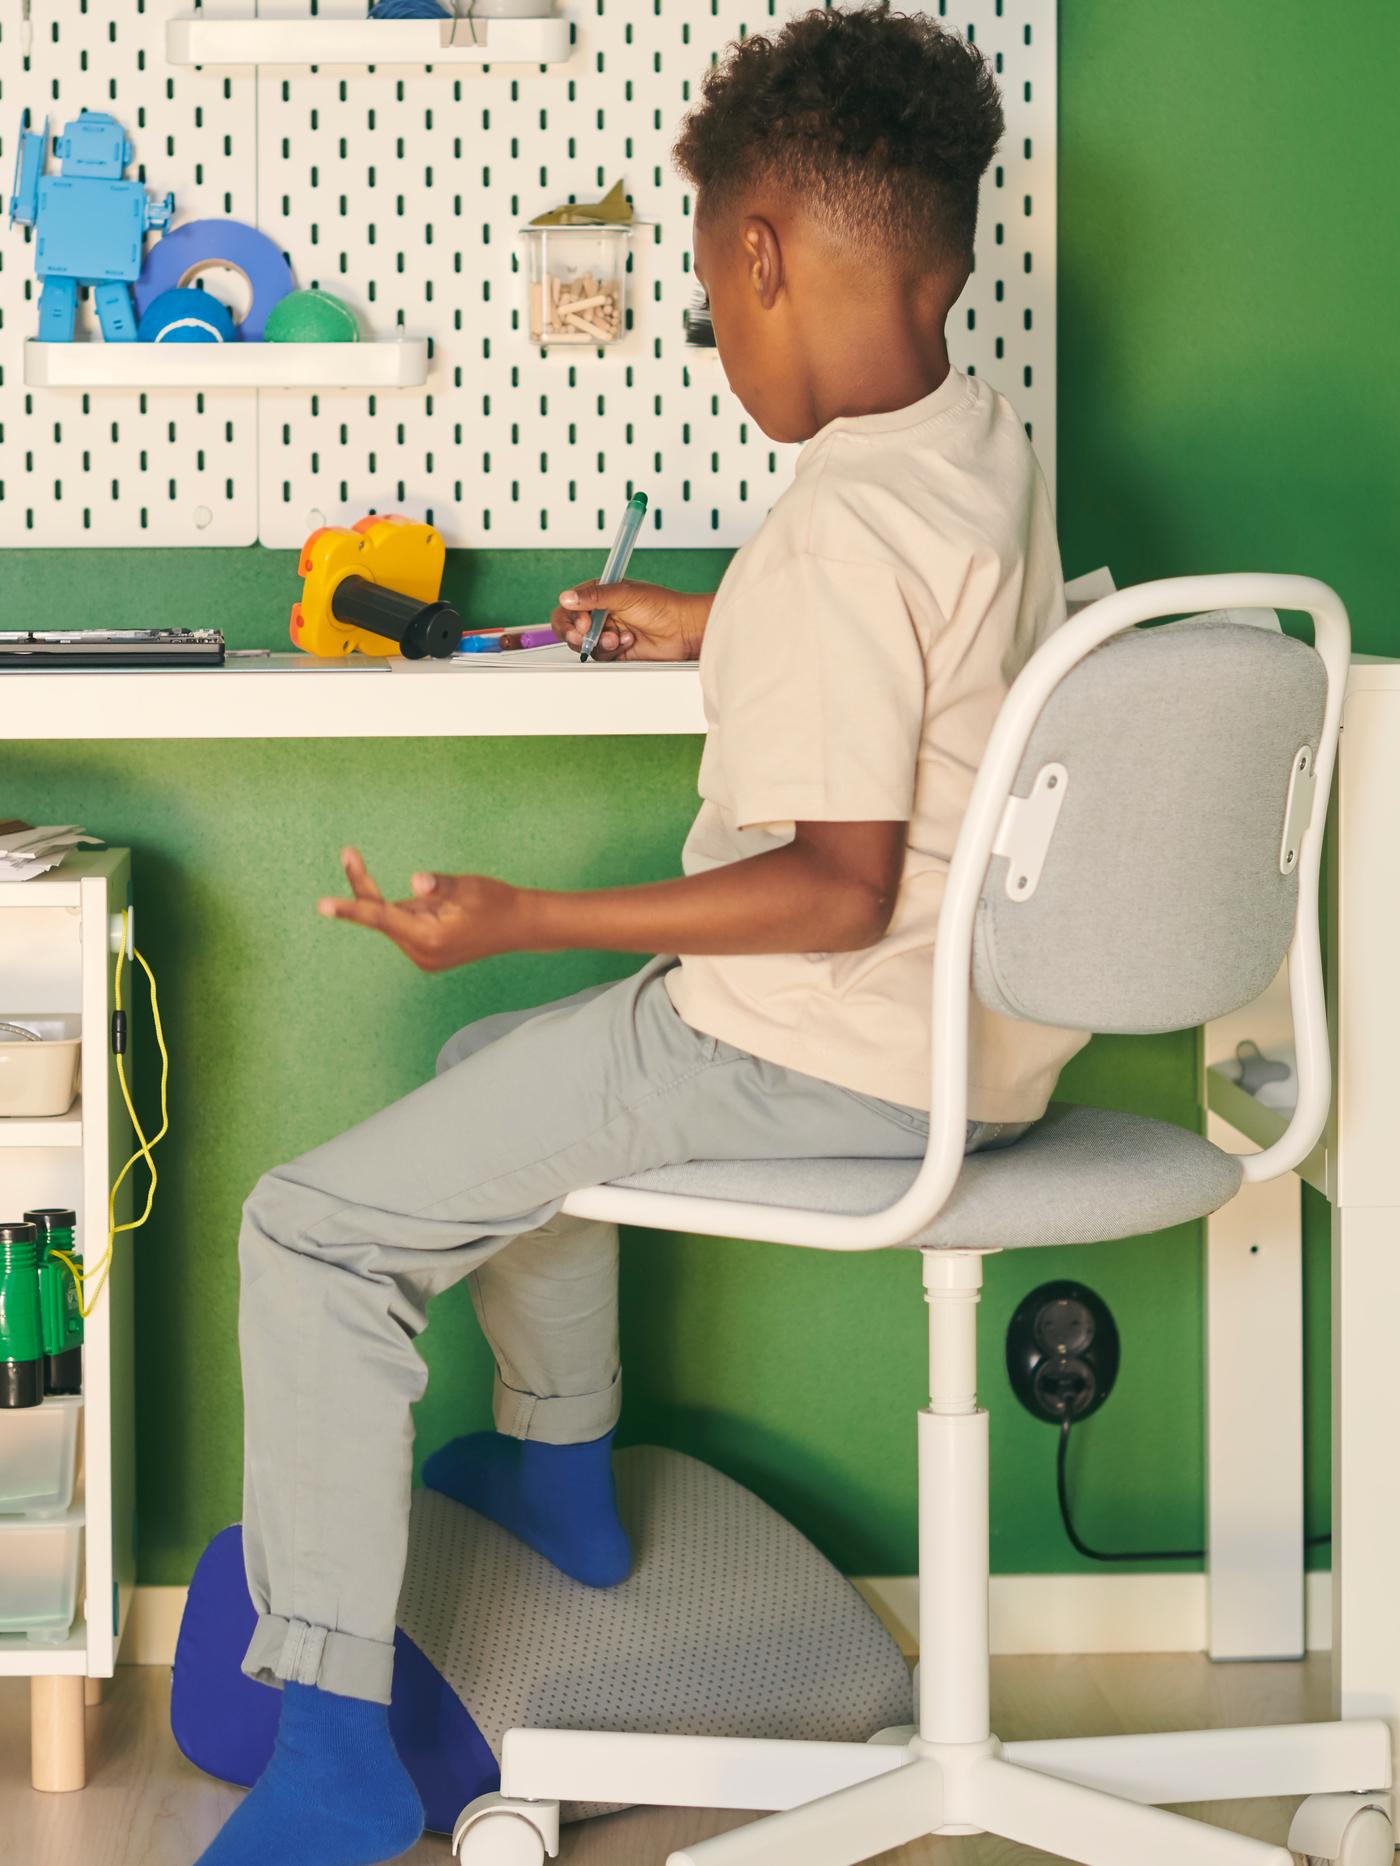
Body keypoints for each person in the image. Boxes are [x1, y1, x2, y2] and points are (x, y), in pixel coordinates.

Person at [197, 9, 1085, 1862]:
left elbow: (838, 880)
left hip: (814, 1039)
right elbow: (930, 657)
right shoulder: (972, 446)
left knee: (311, 1231)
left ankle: (337, 1759)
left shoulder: (839, 523)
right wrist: (725, 623)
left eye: (710, 290)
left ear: (761, 252)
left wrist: (526, 912)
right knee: (486, 1079)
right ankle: (563, 1479)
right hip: (959, 1046)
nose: (722, 330)